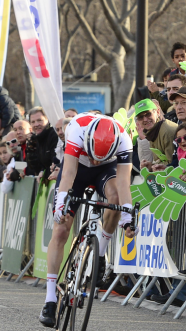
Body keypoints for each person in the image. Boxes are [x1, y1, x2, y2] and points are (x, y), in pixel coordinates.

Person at [39, 113, 134, 327]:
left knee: (115, 198)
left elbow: (123, 183)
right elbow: (68, 174)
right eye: (93, 154)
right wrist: (61, 201)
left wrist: (128, 217)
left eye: (99, 156)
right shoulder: (76, 128)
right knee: (61, 229)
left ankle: (99, 256)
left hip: (105, 171)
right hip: (77, 170)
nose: (94, 160)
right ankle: (50, 299)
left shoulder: (124, 139)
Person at [134, 99, 177, 166]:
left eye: (148, 114)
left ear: (158, 112)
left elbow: (172, 164)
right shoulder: (152, 131)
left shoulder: (167, 131)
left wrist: (152, 166)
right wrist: (150, 165)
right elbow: (160, 161)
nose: (145, 119)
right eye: (140, 117)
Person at [22, 107, 58, 178]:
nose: (36, 124)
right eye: (33, 122)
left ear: (47, 120)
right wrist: (30, 150)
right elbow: (35, 167)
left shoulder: (54, 135)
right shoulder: (35, 139)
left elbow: (56, 163)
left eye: (39, 120)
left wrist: (44, 173)